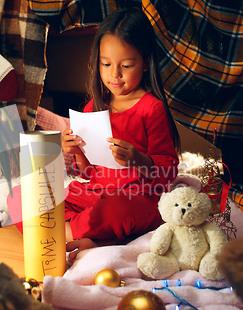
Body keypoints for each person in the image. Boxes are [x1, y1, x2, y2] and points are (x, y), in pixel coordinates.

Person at [63, 7, 181, 259]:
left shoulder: (151, 108)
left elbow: (168, 170)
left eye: (126, 65)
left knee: (116, 211)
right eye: (106, 64)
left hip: (136, 198)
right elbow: (87, 172)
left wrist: (139, 160)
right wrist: (74, 150)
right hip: (97, 194)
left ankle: (63, 232)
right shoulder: (93, 107)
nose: (114, 74)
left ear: (146, 62)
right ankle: (96, 238)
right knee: (27, 198)